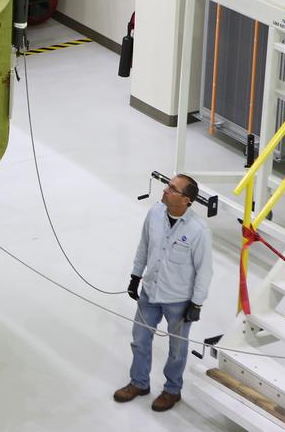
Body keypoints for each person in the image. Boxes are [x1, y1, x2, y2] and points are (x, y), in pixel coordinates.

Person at [114, 173, 212, 412]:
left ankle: (172, 390)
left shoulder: (199, 230)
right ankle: (139, 383)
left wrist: (196, 304)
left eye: (173, 189)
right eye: (168, 186)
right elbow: (144, 246)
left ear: (187, 199)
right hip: (150, 292)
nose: (166, 190)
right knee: (139, 341)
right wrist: (135, 277)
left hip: (179, 301)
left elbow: (204, 271)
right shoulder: (155, 214)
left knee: (177, 350)